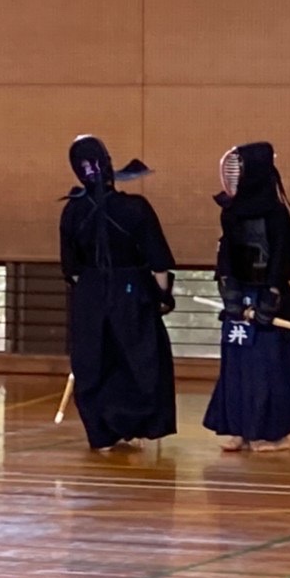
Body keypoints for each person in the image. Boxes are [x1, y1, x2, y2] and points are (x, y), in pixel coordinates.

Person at [60, 135, 177, 453]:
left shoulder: (72, 211)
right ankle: (133, 425)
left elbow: (71, 269)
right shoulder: (135, 208)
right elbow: (159, 261)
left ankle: (101, 434)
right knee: (137, 357)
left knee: (94, 360)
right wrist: (162, 295)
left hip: (89, 292)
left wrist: (92, 290)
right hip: (131, 289)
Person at [203, 142, 290, 452]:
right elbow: (226, 252)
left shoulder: (277, 215)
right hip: (239, 299)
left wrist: (272, 293)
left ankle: (273, 432)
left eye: (241, 168)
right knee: (236, 365)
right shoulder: (231, 212)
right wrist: (228, 289)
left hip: (269, 299)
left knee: (270, 366)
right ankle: (238, 426)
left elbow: (283, 258)